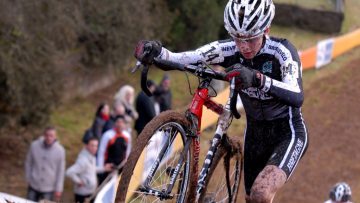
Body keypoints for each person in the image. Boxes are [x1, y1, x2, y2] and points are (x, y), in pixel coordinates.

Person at [133, 0, 308, 202]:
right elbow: (184, 58)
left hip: (287, 132)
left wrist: (258, 79)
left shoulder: (282, 51)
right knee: (251, 198)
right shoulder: (228, 49)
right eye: (237, 38)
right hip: (255, 133)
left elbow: (297, 95)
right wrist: (158, 53)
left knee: (261, 194)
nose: (243, 46)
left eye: (250, 39)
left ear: (266, 29)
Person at [66, 137, 113, 203]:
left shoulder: (91, 157)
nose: (95, 148)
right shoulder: (83, 160)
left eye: (96, 146)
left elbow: (91, 169)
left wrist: (104, 168)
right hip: (83, 195)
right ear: (87, 146)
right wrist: (78, 181)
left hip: (90, 192)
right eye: (92, 145)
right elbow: (69, 172)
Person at [25, 126, 65, 202]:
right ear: (44, 135)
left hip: (49, 188)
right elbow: (28, 163)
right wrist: (28, 178)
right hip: (33, 185)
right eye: (47, 135)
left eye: (51, 136)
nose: (49, 138)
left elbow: (60, 171)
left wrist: (58, 188)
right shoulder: (34, 145)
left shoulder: (60, 151)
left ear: (55, 136)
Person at [97, 115, 132, 185]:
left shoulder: (127, 136)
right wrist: (101, 168)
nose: (120, 124)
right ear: (114, 123)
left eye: (122, 122)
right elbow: (101, 152)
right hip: (108, 167)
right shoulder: (107, 135)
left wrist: (127, 163)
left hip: (121, 167)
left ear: (124, 124)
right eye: (118, 122)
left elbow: (128, 151)